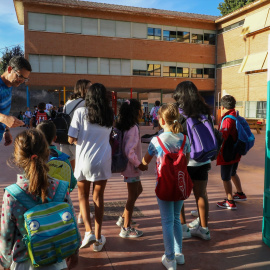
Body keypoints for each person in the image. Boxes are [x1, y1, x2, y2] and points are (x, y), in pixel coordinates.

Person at [0, 129, 80, 270]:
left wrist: (5, 263)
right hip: (57, 260)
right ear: (47, 153)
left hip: (24, 262)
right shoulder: (61, 188)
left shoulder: (12, 195)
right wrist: (74, 251)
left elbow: (6, 236)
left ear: (18, 159)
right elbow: (72, 223)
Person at [141, 103, 190, 270]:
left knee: (167, 221)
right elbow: (186, 161)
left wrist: (139, 165)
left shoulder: (157, 140)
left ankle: (169, 259)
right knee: (176, 218)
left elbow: (145, 161)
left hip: (164, 185)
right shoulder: (184, 139)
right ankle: (179, 254)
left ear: (162, 120)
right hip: (180, 184)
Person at [68, 83, 113, 252]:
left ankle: (88, 232)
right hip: (103, 159)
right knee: (98, 198)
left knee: (82, 196)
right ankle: (99, 238)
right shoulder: (109, 114)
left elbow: (71, 138)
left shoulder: (80, 112)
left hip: (84, 160)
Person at [174, 81, 212, 240]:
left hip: (184, 161)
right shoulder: (204, 110)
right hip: (203, 159)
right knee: (201, 194)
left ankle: (183, 228)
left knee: (180, 195)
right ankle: (204, 229)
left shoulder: (179, 112)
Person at [115, 99, 147, 238]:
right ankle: (126, 227)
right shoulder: (133, 128)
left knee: (138, 190)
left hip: (128, 167)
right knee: (132, 197)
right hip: (131, 167)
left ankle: (123, 218)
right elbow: (130, 151)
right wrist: (139, 164)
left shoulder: (125, 126)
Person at [216, 95, 247, 210]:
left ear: (222, 106)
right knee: (233, 172)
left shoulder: (228, 119)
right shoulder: (236, 115)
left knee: (225, 177)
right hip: (236, 152)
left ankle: (230, 201)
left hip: (227, 153)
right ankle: (240, 193)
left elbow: (223, 136)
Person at [37, 120, 77, 192]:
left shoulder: (34, 157)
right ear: (55, 138)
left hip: (39, 199)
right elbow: (72, 183)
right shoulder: (64, 158)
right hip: (60, 199)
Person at [60, 79, 91, 172]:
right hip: (78, 139)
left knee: (68, 169)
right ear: (83, 89)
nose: (91, 90)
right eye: (89, 87)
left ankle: (69, 186)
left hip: (65, 138)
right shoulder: (85, 103)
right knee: (82, 170)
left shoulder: (68, 101)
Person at [0, 56, 31, 145]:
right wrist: (4, 118)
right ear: (10, 69)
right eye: (20, 76)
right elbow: (3, 116)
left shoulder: (9, 86)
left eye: (25, 79)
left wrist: (6, 130)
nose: (22, 81)